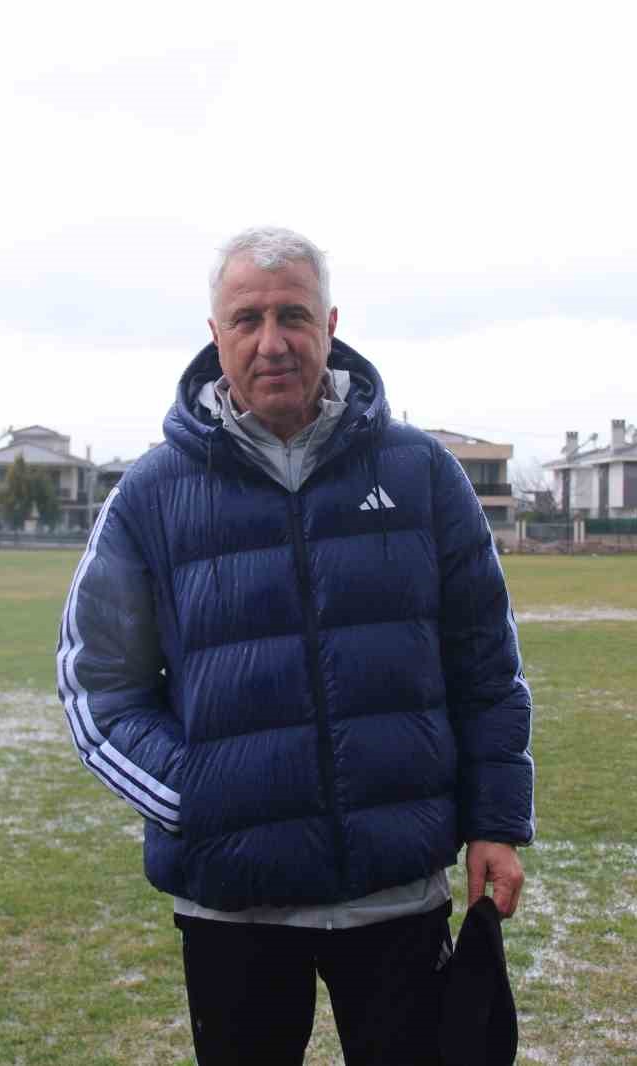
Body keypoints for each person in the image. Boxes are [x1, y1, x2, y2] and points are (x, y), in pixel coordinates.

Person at [56, 226, 534, 1065]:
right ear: (216, 336)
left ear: (331, 325)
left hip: (395, 893)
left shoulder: (422, 473)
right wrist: (194, 795)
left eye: (293, 316)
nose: (271, 342)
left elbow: (486, 668)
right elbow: (98, 687)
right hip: (232, 903)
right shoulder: (150, 495)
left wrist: (495, 822)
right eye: (247, 319)